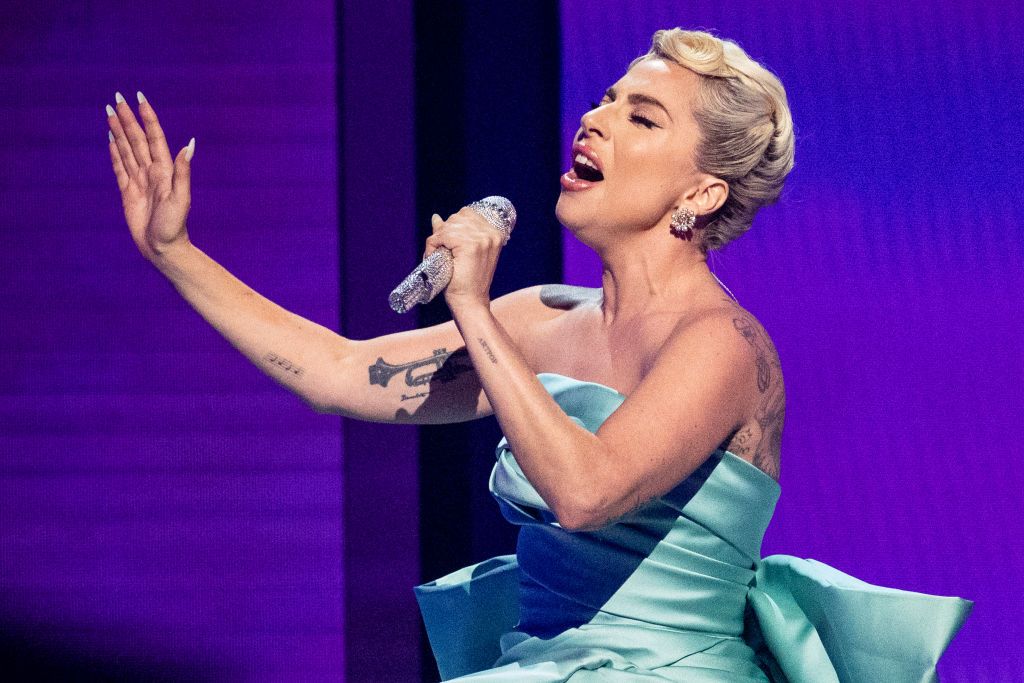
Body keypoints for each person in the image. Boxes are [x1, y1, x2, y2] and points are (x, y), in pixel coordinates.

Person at [107, 26, 972, 683]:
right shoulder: (540, 318)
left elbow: (587, 492)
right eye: (606, 99)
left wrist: (471, 307)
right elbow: (338, 373)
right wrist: (175, 254)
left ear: (701, 192)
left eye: (641, 117)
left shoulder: (722, 345)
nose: (594, 120)